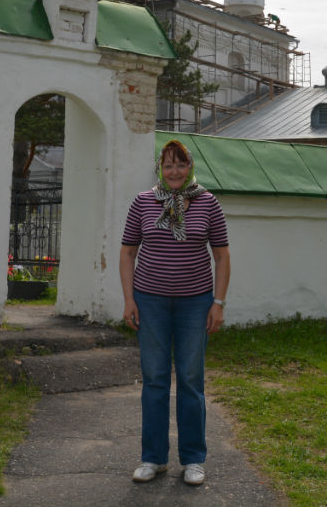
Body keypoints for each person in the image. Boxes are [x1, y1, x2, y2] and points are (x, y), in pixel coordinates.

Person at [120, 139, 230, 487]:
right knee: (154, 380)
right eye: (168, 165)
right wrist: (129, 300)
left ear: (190, 167)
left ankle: (193, 460)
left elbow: (223, 257)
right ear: (159, 169)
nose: (175, 171)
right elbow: (127, 253)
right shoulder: (143, 202)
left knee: (190, 381)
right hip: (149, 302)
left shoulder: (208, 203)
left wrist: (218, 303)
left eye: (181, 164)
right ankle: (153, 458)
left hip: (195, 304)